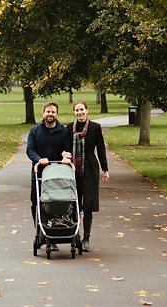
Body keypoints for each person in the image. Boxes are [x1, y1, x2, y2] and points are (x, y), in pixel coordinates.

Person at [67, 100, 109, 251]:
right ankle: (75, 235)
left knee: (88, 205)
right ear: (74, 112)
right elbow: (65, 147)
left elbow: (101, 148)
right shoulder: (69, 128)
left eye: (82, 110)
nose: (79, 113)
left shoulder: (95, 127)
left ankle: (86, 238)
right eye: (77, 110)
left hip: (90, 168)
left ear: (87, 110)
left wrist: (105, 169)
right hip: (73, 169)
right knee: (75, 203)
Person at [26, 101, 71, 244]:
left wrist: (65, 156)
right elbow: (30, 149)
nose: (50, 114)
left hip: (57, 173)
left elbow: (68, 149)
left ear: (56, 114)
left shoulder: (64, 131)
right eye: (48, 112)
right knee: (37, 202)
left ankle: (55, 230)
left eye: (53, 112)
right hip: (39, 172)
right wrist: (39, 159)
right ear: (43, 113)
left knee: (55, 201)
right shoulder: (35, 131)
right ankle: (40, 231)